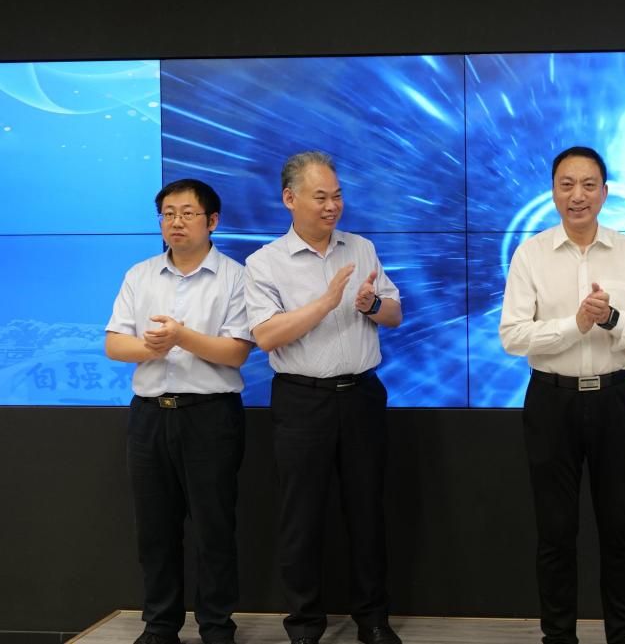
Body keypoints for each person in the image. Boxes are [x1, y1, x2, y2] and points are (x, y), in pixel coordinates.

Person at [499, 146, 625, 644]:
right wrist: (576, 325)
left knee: (620, 529)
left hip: (614, 400)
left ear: (605, 193)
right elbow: (513, 337)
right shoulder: (530, 255)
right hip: (552, 401)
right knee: (555, 532)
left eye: (589, 185)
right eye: (567, 185)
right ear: (552, 193)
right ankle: (558, 637)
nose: (578, 195)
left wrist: (610, 318)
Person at [244, 151, 403, 644]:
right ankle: (305, 624)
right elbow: (266, 335)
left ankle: (373, 620)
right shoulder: (264, 262)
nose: (332, 206)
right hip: (301, 400)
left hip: (361, 396)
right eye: (321, 197)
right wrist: (326, 303)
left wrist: (371, 305)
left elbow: (395, 314)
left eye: (337, 196)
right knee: (301, 516)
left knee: (367, 511)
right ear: (289, 199)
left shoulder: (361, 248)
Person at [105, 178, 253, 644]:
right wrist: (152, 348)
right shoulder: (140, 275)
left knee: (214, 527)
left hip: (210, 414)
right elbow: (114, 344)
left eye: (188, 213)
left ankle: (216, 626)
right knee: (155, 529)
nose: (176, 222)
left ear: (213, 221)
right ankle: (160, 626)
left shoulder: (235, 277)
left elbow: (236, 352)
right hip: (149, 415)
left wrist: (180, 337)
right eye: (168, 214)